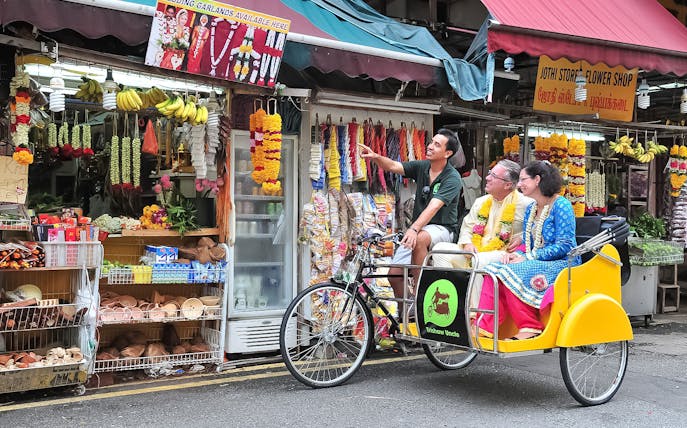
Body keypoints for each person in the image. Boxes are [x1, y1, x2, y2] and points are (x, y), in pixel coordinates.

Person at [474, 160, 580, 340]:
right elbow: (529, 242)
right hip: (535, 258)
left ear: (537, 180)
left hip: (561, 263)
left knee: (510, 272)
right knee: (492, 270)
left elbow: (565, 246)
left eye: (523, 180)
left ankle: (530, 326)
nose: (519, 184)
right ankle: (484, 327)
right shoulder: (531, 207)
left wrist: (529, 257)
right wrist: (517, 254)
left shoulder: (561, 205)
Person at [359, 128, 462, 312]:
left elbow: (434, 206)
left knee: (421, 237)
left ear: (448, 153)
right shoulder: (423, 167)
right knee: (394, 274)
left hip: (442, 229)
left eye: (436, 145)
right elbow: (393, 166)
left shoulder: (452, 177)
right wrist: (375, 156)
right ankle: (406, 315)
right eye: (431, 142)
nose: (430, 146)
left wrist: (413, 229)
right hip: (420, 228)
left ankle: (421, 293)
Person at [433, 159, 532, 309]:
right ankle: (451, 304)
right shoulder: (481, 201)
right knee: (440, 250)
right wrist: (467, 243)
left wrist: (522, 238)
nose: (487, 177)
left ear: (507, 185)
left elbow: (536, 231)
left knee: (479, 260)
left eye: (493, 175)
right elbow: (467, 227)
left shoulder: (526, 204)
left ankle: (474, 314)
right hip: (475, 250)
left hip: (504, 254)